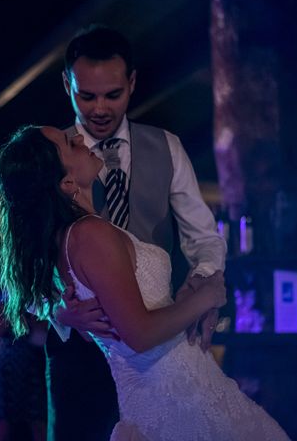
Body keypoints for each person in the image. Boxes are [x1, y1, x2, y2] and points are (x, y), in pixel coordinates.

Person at [0, 125, 289, 440]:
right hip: (172, 400)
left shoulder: (70, 234)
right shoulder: (88, 234)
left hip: (181, 388)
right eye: (69, 143)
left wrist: (196, 284)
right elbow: (139, 334)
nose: (79, 137)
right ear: (65, 181)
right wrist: (206, 297)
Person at [45, 25, 227, 440]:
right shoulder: (49, 157)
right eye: (86, 95)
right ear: (66, 84)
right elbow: (19, 263)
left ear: (132, 82)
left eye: (113, 94)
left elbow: (203, 237)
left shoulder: (168, 147)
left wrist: (206, 276)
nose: (100, 109)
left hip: (159, 352)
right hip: (81, 352)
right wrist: (55, 310)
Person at [0, 284, 47, 441]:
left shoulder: (33, 300)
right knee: (4, 418)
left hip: (32, 363)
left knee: (37, 417)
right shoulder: (0, 302)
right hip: (8, 366)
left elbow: (44, 331)